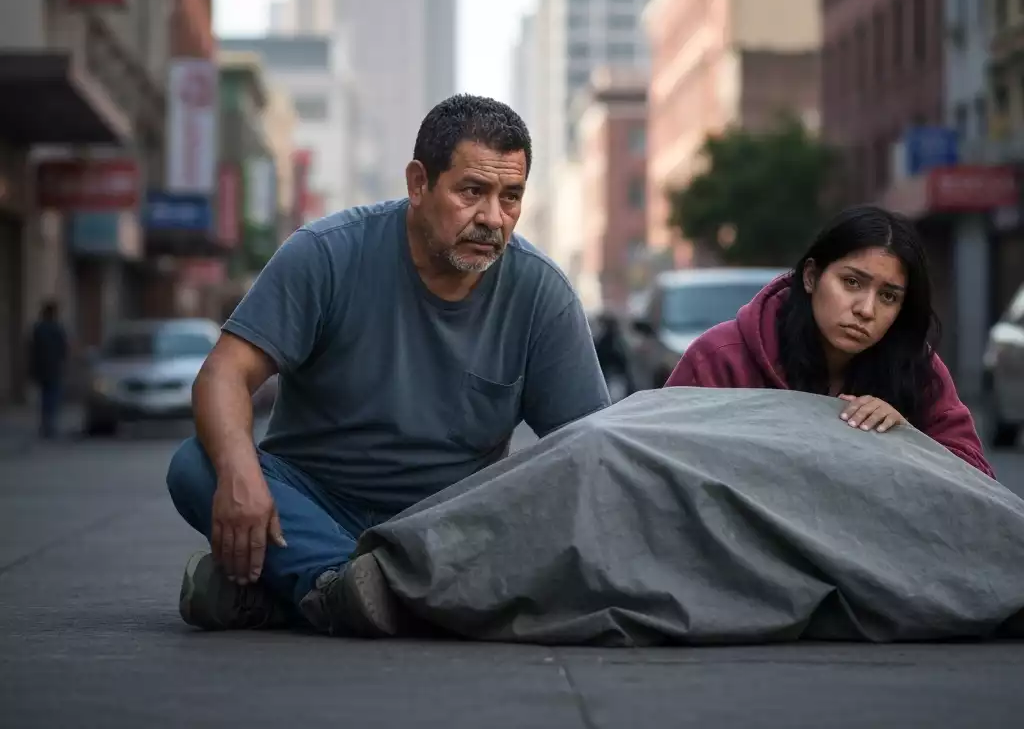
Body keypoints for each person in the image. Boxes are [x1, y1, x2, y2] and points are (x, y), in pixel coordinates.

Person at [166, 94, 610, 634]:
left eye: (510, 197)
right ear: (419, 184)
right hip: (312, 506)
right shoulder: (326, 254)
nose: (493, 218)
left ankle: (308, 591)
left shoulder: (541, 293)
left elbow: (589, 447)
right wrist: (240, 476)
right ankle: (376, 590)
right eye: (472, 192)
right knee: (197, 465)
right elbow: (223, 375)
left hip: (451, 524)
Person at [663, 205, 994, 478]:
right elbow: (659, 463)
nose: (866, 309)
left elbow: (977, 484)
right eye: (851, 282)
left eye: (888, 296)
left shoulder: (917, 369)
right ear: (811, 277)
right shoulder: (721, 358)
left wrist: (906, 439)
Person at [29, 300, 69, 439]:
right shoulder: (57, 329)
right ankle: (50, 425)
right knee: (52, 397)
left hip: (41, 369)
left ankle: (45, 424)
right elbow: (64, 349)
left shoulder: (38, 328)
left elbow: (32, 350)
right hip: (53, 368)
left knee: (45, 397)